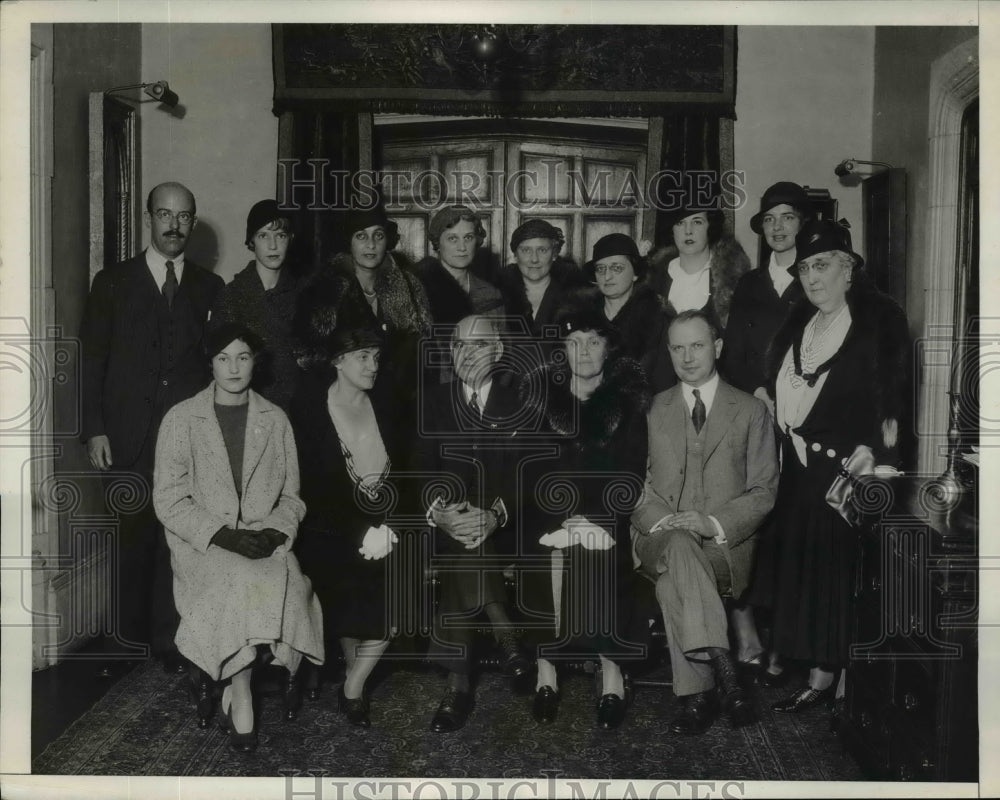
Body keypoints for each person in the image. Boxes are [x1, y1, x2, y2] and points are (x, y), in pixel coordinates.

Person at [152, 323, 323, 753]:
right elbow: (169, 501)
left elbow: (292, 497)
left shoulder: (275, 419)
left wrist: (275, 531)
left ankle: (236, 684)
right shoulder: (180, 419)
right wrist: (223, 536)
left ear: (255, 362)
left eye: (243, 357)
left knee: (286, 576)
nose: (234, 367)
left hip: (264, 539)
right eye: (223, 358)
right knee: (237, 580)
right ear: (209, 363)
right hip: (202, 545)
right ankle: (241, 690)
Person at [764, 219, 911, 714]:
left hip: (846, 475)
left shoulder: (876, 320)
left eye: (822, 265)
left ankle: (845, 682)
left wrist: (882, 466)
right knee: (806, 574)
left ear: (849, 270)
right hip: (797, 470)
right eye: (804, 267)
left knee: (838, 578)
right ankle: (821, 675)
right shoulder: (799, 322)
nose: (812, 276)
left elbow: (890, 404)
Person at [79, 181, 224, 674]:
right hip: (125, 436)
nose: (174, 225)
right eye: (164, 214)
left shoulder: (210, 287)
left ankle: (172, 642)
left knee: (177, 540)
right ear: (149, 218)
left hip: (185, 440)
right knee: (130, 538)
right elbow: (92, 359)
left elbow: (214, 365)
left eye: (184, 217)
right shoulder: (112, 282)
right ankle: (124, 643)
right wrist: (94, 428)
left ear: (193, 222)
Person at [631, 309, 778, 735]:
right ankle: (725, 666)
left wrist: (710, 521)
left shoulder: (750, 410)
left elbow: (764, 491)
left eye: (697, 345)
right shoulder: (651, 409)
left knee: (671, 582)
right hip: (656, 537)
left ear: (717, 347)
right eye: (677, 348)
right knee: (677, 544)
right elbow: (632, 485)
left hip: (721, 547)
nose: (687, 357)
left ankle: (697, 696)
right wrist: (665, 521)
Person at [518, 308, 650, 730]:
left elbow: (630, 473)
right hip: (547, 513)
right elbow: (530, 469)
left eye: (593, 342)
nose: (584, 351)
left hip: (606, 515)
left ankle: (611, 671)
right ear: (562, 351)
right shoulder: (542, 402)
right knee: (542, 552)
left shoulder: (626, 407)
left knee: (599, 550)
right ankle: (547, 671)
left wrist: (592, 518)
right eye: (574, 343)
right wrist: (562, 515)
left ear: (608, 350)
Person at [290, 316, 406, 729]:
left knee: (395, 590)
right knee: (343, 579)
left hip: (388, 523)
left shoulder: (389, 404)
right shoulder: (310, 411)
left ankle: (353, 686)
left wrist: (389, 525)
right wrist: (359, 529)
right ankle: (355, 670)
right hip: (330, 526)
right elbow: (308, 486)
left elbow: (409, 473)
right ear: (338, 361)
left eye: (376, 356)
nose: (372, 365)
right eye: (362, 357)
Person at [417, 314, 530, 732]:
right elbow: (418, 472)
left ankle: (458, 685)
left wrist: (496, 514)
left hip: (504, 527)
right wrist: (439, 513)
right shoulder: (431, 400)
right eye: (459, 346)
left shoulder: (519, 402)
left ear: (497, 351)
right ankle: (506, 634)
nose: (467, 354)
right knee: (466, 541)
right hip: (446, 525)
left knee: (472, 545)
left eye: (478, 345)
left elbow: (527, 476)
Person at [720, 181, 811, 685]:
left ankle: (784, 641)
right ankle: (747, 632)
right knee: (748, 519)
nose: (777, 228)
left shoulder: (815, 279)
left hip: (802, 422)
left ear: (801, 224)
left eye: (787, 218)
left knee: (789, 528)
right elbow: (732, 351)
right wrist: (755, 391)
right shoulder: (751, 285)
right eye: (769, 220)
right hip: (756, 418)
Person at [293, 205, 432, 457]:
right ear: (349, 241)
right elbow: (311, 360)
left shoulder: (409, 288)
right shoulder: (324, 291)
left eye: (378, 235)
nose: (370, 244)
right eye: (361, 236)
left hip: (397, 411)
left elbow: (420, 356)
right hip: (342, 411)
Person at [211, 199, 305, 412]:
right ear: (251, 241)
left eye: (280, 235)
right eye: (263, 235)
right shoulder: (231, 296)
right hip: (247, 410)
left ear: (290, 239)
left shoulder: (306, 295)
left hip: (298, 413)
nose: (273, 245)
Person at [578, 232, 675, 393]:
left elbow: (665, 383)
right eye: (601, 269)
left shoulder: (657, 319)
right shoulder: (581, 319)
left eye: (617, 268)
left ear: (635, 273)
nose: (607, 276)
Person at [496, 219, 587, 378]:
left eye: (542, 250)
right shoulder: (496, 295)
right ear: (516, 255)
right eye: (526, 250)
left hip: (559, 391)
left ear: (554, 254)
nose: (534, 259)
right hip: (506, 393)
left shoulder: (575, 299)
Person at [647, 196, 750, 332]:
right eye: (680, 223)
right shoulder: (655, 280)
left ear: (710, 227)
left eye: (697, 222)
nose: (688, 230)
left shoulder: (733, 282)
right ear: (672, 230)